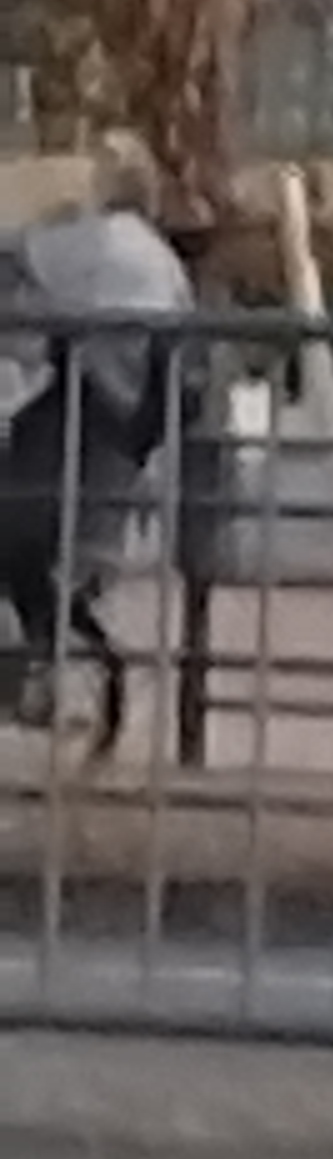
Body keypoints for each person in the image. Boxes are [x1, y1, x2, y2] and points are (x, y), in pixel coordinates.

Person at [0, 136, 194, 753]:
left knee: (17, 533)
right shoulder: (159, 258)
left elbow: (23, 260)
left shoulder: (99, 243)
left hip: (83, 418)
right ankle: (48, 661)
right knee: (37, 549)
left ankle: (35, 668)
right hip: (118, 429)